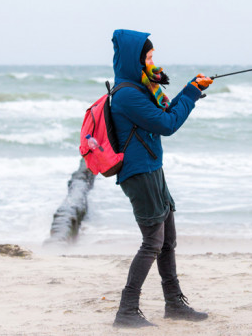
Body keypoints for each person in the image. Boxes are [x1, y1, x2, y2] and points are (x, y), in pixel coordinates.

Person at [109, 29, 213, 328]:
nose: (153, 62)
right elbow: (168, 124)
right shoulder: (128, 94)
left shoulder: (141, 88)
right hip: (139, 174)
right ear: (135, 59)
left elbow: (166, 110)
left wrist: (192, 88)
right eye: (149, 57)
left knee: (168, 241)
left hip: (153, 168)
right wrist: (191, 94)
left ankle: (174, 304)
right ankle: (126, 311)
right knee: (153, 242)